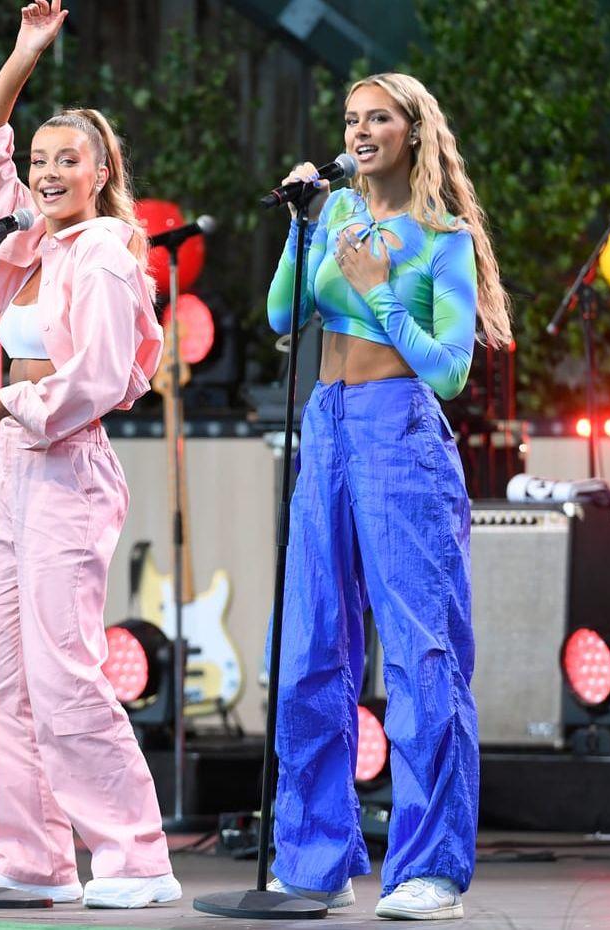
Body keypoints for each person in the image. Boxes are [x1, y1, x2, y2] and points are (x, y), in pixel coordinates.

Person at [0, 0, 179, 910]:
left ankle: (137, 857)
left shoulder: (106, 251)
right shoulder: (31, 243)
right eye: (40, 161)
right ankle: (30, 861)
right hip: (15, 470)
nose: (46, 172)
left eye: (66, 158)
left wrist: (7, 399)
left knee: (63, 672)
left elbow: (101, 376)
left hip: (66, 465)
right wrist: (24, 57)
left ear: (101, 168)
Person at [263, 71, 512, 920]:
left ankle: (427, 869)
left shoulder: (441, 238)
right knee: (308, 647)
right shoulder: (333, 215)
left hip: (398, 430)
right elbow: (278, 316)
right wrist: (303, 230)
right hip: (325, 425)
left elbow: (447, 370)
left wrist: (374, 288)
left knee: (419, 652)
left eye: (377, 118)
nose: (360, 129)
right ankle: (313, 859)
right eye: (349, 119)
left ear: (412, 131)